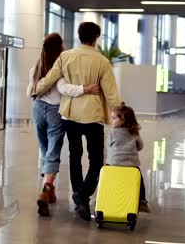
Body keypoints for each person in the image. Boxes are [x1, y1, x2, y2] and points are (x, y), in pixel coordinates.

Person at [34, 22, 121, 221]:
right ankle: (82, 195)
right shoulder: (102, 62)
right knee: (96, 160)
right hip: (93, 117)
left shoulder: (66, 57)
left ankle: (79, 196)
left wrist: (37, 88)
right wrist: (122, 114)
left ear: (79, 36)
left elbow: (50, 78)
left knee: (75, 157)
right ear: (96, 37)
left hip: (70, 116)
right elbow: (112, 94)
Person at [26, 33, 100, 217]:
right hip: (54, 112)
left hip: (37, 108)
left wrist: (38, 90)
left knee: (44, 150)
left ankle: (50, 190)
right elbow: (64, 88)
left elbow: (31, 90)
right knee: (53, 152)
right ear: (59, 48)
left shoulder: (37, 66)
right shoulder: (61, 64)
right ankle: (47, 186)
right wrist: (85, 89)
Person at [106, 103, 150, 213]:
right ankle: (142, 203)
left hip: (114, 164)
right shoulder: (134, 132)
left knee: (104, 175)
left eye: (114, 118)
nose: (111, 121)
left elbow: (109, 146)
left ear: (123, 120)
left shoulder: (112, 132)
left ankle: (102, 198)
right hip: (131, 165)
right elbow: (140, 146)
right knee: (140, 180)